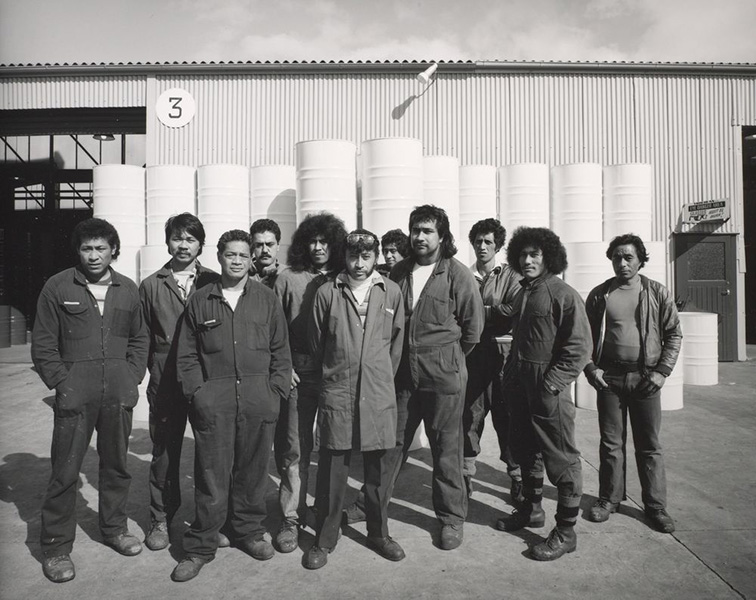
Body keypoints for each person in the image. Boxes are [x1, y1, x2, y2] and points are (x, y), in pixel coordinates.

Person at [347, 205, 484, 551]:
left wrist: (447, 359)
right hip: (402, 378)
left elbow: (473, 330)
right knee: (389, 446)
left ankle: (451, 519)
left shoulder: (457, 274)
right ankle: (368, 505)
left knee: (446, 449)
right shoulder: (398, 272)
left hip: (444, 379)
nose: (420, 237)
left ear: (442, 236)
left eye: (427, 231)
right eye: (415, 231)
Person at [31, 217, 149, 583]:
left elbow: (140, 339)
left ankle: (114, 529)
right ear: (78, 251)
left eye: (100, 248)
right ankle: (55, 547)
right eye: (87, 248)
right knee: (65, 473)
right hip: (75, 395)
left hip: (117, 393)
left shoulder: (127, 289)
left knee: (116, 466)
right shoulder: (57, 286)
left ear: (113, 250)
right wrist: (62, 384)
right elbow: (43, 344)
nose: (93, 255)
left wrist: (131, 379)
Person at [171, 230, 292, 582]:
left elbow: (281, 352)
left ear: (251, 259)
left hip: (258, 398)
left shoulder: (266, 299)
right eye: (230, 255)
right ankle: (200, 545)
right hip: (215, 401)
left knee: (253, 472)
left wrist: (274, 393)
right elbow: (187, 355)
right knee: (211, 473)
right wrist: (199, 395)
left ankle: (248, 532)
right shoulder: (201, 300)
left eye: (243, 255)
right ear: (219, 257)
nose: (236, 261)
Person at [303, 229, 406, 569]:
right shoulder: (327, 292)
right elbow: (317, 344)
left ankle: (378, 533)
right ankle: (325, 537)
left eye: (366, 257)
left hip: (378, 393)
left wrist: (376, 375)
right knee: (333, 470)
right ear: (343, 257)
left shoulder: (390, 292)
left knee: (376, 471)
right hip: (338, 391)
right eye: (352, 257)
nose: (359, 264)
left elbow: (396, 344)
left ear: (375, 257)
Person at [495, 226, 592, 561]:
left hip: (548, 391)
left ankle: (565, 532)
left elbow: (579, 348)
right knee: (525, 452)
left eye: (535, 254)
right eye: (522, 254)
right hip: (520, 388)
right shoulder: (524, 292)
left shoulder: (563, 294)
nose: (527, 260)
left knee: (561, 460)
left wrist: (552, 384)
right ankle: (531, 510)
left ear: (549, 257)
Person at [584, 234, 682, 534]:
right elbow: (584, 337)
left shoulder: (656, 292)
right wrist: (590, 368)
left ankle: (655, 507)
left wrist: (662, 371)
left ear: (641, 259)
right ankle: (609, 499)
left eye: (628, 257)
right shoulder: (600, 295)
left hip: (646, 379)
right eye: (616, 257)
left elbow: (673, 334)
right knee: (611, 444)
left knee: (649, 446)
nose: (622, 263)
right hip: (610, 379)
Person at [138, 213, 219, 551]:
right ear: (167, 240)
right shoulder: (152, 284)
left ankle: (211, 521)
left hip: (207, 382)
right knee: (165, 455)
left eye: (191, 239)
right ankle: (160, 519)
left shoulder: (214, 281)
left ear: (201, 244)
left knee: (211, 456)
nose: (183, 245)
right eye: (177, 238)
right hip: (167, 384)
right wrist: (147, 377)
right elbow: (141, 337)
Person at [271, 212, 347, 553]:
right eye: (312, 241)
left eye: (325, 241)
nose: (318, 247)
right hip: (298, 373)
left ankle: (324, 514)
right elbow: (274, 330)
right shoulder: (288, 279)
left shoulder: (345, 278)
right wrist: (284, 367)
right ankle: (290, 518)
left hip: (334, 374)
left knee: (333, 448)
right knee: (294, 448)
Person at [462, 218, 523, 503]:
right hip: (474, 354)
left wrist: (475, 313)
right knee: (469, 416)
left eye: (488, 242)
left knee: (508, 418)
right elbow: (455, 310)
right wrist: (490, 312)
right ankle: (464, 477)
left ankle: (518, 477)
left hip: (504, 354)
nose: (482, 246)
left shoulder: (511, 275)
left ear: (498, 245)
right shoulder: (464, 275)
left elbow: (512, 309)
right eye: (478, 241)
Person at [249, 218, 283, 288]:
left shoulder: (288, 276)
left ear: (278, 246)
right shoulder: (242, 275)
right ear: (252, 247)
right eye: (259, 245)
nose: (264, 250)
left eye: (269, 244)